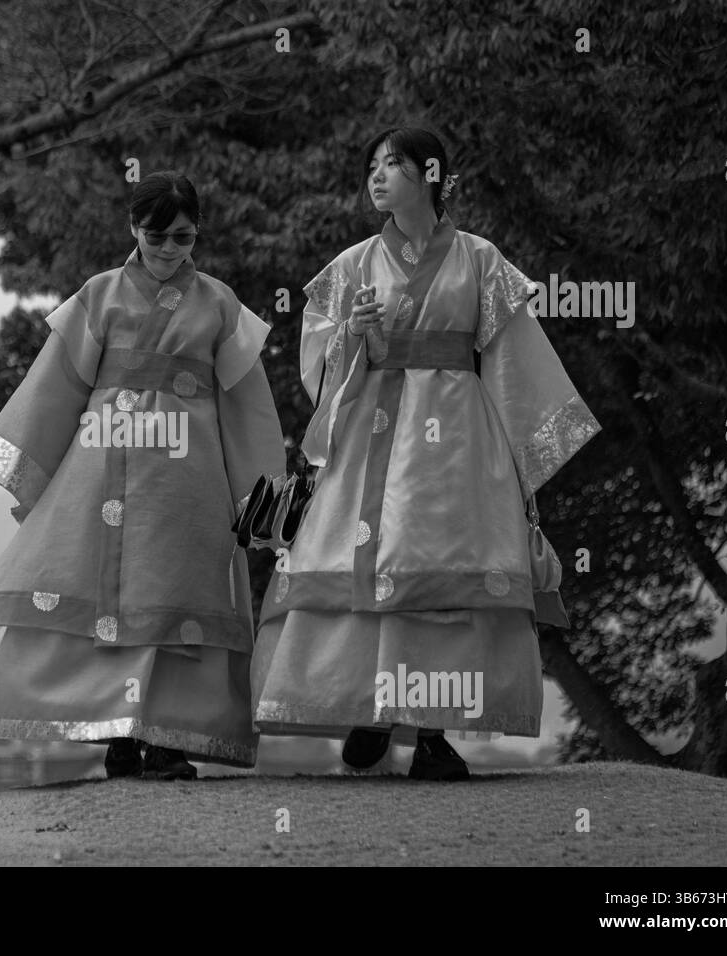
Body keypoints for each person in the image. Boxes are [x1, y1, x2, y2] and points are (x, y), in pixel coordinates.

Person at [250, 127, 601, 780]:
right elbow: (320, 369)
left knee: (440, 572)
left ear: (431, 176)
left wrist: (522, 454)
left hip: (455, 435)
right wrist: (352, 341)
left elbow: (512, 361)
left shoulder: (480, 260)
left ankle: (432, 732)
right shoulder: (352, 265)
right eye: (372, 164)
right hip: (370, 431)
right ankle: (372, 705)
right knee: (368, 559)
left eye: (395, 164)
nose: (377, 175)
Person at [0, 171, 286, 780]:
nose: (168, 249)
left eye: (183, 238)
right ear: (134, 228)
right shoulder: (98, 294)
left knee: (175, 594)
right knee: (95, 590)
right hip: (100, 463)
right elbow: (56, 389)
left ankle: (163, 737)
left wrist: (261, 493)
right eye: (156, 236)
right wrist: (34, 473)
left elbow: (248, 405)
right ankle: (117, 733)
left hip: (189, 477)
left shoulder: (222, 304)